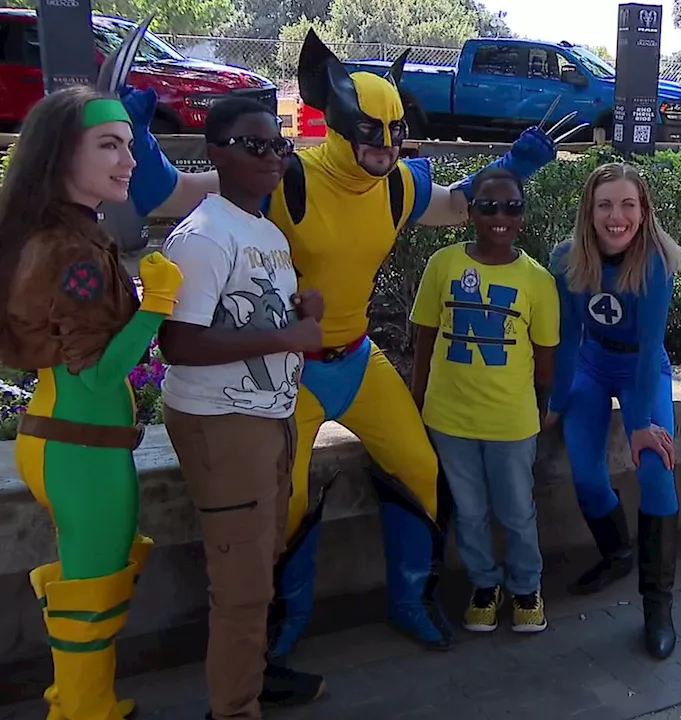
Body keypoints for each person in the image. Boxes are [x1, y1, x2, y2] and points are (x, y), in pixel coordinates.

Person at [116, 30, 564, 658]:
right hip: (288, 368)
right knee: (289, 497)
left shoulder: (400, 186)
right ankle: (285, 625)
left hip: (356, 357)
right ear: (337, 122)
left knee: (419, 466)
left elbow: (461, 206)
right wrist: (139, 141)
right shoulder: (285, 177)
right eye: (370, 131)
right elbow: (172, 197)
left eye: (394, 131)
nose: (384, 146)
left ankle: (410, 600)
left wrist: (513, 168)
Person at [0, 86, 184, 720]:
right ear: (60, 155)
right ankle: (80, 709)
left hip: (71, 441)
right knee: (93, 588)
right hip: (80, 446)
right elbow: (103, 374)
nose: (128, 160)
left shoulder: (69, 231)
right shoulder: (72, 248)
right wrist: (157, 306)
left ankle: (83, 698)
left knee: (95, 577)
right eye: (109, 145)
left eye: (129, 145)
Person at [157, 98, 327, 719]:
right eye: (255, 146)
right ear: (216, 151)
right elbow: (178, 342)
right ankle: (233, 708)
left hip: (266, 419)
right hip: (223, 425)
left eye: (279, 145)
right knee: (240, 583)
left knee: (260, 562)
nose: (273, 156)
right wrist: (288, 337)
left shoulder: (264, 230)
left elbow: (249, 317)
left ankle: (253, 677)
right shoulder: (202, 237)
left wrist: (300, 313)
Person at [545, 162, 681, 660]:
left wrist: (642, 424)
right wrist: (556, 402)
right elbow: (564, 340)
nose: (616, 216)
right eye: (605, 204)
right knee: (586, 475)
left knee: (657, 472)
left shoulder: (654, 264)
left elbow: (650, 351)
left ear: (643, 211)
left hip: (640, 374)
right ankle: (617, 552)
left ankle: (658, 607)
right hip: (590, 363)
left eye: (628, 204)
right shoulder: (566, 260)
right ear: (589, 210)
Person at [408, 167, 559, 635]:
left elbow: (546, 357)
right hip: (449, 418)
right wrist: (416, 402)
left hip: (511, 421)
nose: (500, 217)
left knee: (516, 512)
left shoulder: (537, 281)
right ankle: (484, 585)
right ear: (470, 211)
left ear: (523, 217)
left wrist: (540, 409)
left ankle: (526, 587)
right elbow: (425, 339)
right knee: (469, 512)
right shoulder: (444, 265)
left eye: (512, 207)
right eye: (489, 206)